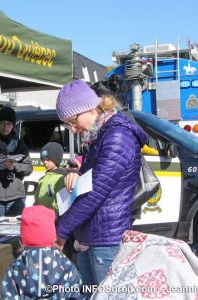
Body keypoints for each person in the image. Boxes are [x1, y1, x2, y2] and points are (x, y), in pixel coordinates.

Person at [55, 79, 147, 285]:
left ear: (88, 108)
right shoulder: (98, 135)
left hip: (107, 239)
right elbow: (91, 179)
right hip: (91, 235)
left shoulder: (118, 136)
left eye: (72, 121)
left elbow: (95, 192)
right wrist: (76, 172)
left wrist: (61, 231)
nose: (72, 129)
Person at [1, 205, 83, 299]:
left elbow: (7, 293)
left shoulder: (16, 266)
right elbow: (76, 291)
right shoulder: (65, 264)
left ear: (23, 239)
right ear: (53, 235)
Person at [33, 142, 66, 213]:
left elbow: (62, 202)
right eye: (43, 159)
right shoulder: (42, 179)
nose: (44, 162)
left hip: (53, 218)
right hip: (40, 216)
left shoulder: (61, 178)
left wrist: (56, 216)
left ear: (56, 159)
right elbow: (37, 200)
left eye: (48, 159)